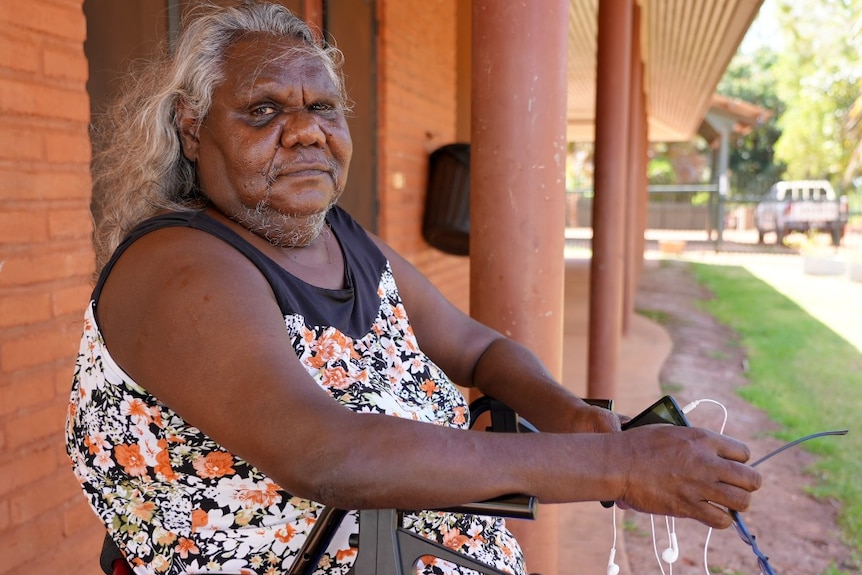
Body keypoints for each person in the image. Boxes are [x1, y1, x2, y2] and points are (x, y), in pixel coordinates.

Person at [65, 2, 762, 574]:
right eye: (263, 111)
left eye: (322, 107)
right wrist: (613, 464)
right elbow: (327, 453)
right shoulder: (182, 267)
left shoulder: (344, 240)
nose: (305, 130)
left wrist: (569, 414)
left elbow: (478, 347)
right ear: (192, 129)